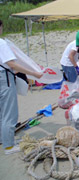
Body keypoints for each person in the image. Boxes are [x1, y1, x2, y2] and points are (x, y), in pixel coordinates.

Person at [0, 19, 43, 155]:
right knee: (9, 113)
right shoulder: (2, 43)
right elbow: (12, 64)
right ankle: (8, 146)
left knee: (2, 112)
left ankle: (5, 139)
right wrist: (33, 73)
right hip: (4, 79)